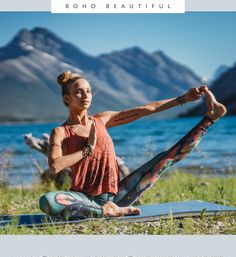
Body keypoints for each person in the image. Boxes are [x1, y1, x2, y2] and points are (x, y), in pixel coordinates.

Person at [39, 71, 227, 220]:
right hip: (85, 199)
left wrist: (183, 98)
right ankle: (105, 212)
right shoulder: (61, 131)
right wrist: (87, 149)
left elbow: (145, 109)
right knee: (48, 201)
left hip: (116, 196)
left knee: (164, 160)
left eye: (88, 91)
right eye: (78, 92)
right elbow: (55, 166)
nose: (85, 95)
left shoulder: (102, 120)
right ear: (67, 98)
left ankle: (210, 119)